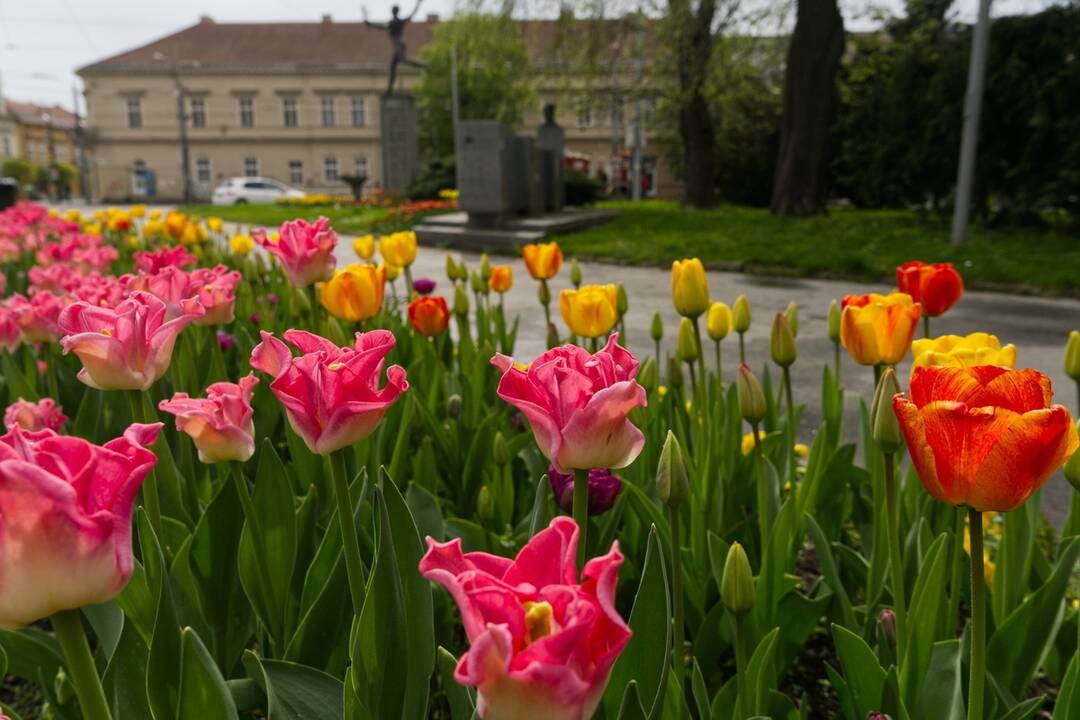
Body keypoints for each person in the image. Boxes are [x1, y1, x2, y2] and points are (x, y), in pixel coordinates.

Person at [363, 2, 426, 94]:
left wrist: (370, 24)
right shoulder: (399, 21)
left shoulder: (392, 23)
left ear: (392, 12)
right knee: (393, 67)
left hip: (398, 46)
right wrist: (418, 3)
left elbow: (380, 26)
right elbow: (412, 14)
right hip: (400, 45)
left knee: (403, 61)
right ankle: (389, 89)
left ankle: (424, 65)